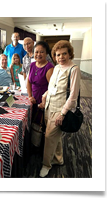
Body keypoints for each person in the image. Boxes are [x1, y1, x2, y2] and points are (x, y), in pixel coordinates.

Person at [39, 40, 81, 177]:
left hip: (60, 109)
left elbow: (73, 96)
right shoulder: (56, 67)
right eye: (58, 55)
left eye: (64, 54)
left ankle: (46, 164)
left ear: (70, 54)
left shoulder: (74, 69)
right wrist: (44, 97)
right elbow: (51, 88)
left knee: (49, 137)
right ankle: (58, 159)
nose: (61, 57)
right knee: (54, 136)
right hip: (48, 106)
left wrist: (62, 114)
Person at [27, 41, 54, 124]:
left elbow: (53, 88)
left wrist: (44, 101)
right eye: (36, 52)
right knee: (31, 122)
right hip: (33, 99)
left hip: (43, 101)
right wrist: (30, 96)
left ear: (46, 54)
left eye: (42, 52)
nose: (38, 54)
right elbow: (28, 81)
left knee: (41, 124)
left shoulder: (49, 67)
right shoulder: (32, 65)